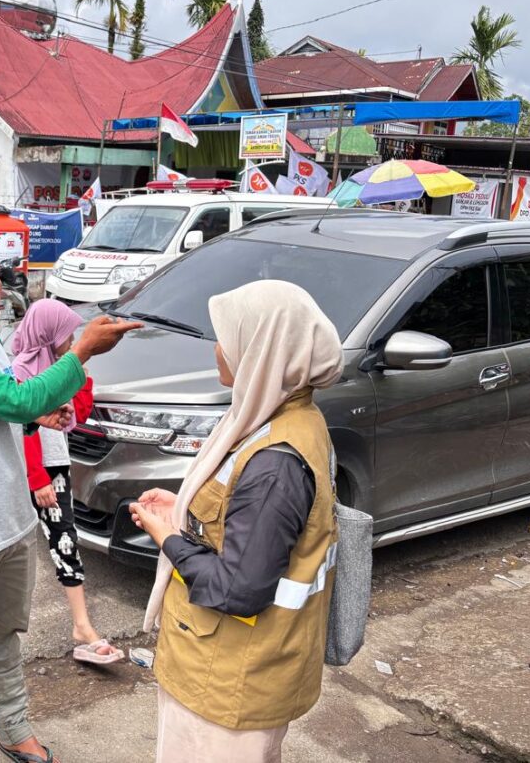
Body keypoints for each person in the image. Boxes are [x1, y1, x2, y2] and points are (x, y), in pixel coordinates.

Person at [0, 233, 140, 763]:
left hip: (12, 520)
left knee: (6, 637)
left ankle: (15, 731)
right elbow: (15, 397)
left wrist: (38, 415)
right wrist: (80, 351)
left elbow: (8, 408)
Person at [129, 280, 343, 763]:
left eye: (226, 338)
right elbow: (248, 518)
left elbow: (238, 589)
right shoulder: (287, 418)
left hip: (229, 681)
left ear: (260, 352)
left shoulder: (276, 462)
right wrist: (185, 507)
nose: (217, 350)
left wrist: (168, 537)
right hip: (226, 667)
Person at [11, 299, 123, 666]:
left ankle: (81, 626)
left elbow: (79, 414)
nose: (72, 340)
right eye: (66, 333)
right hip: (34, 471)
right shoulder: (18, 371)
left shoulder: (60, 369)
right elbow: (22, 428)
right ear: (47, 334)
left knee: (64, 539)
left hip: (55, 464)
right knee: (16, 547)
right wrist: (37, 478)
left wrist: (83, 374)